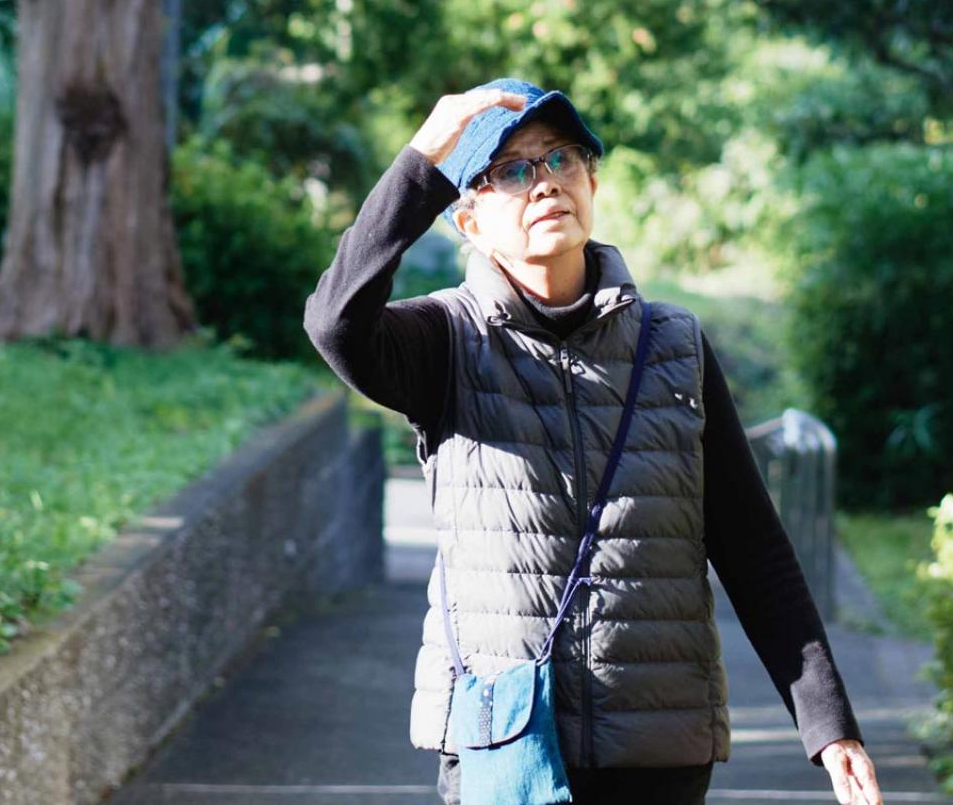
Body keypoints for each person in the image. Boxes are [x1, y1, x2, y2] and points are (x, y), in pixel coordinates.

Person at [302, 77, 883, 805]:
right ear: (470, 223)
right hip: (504, 740)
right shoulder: (442, 340)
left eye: (560, 161)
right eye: (510, 172)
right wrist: (423, 158)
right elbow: (334, 323)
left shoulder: (675, 346)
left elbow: (750, 543)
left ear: (592, 180)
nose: (543, 184)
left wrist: (828, 725)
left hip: (657, 744)